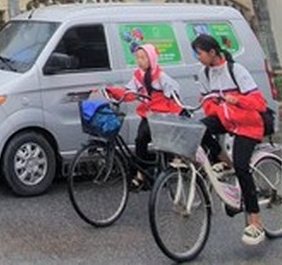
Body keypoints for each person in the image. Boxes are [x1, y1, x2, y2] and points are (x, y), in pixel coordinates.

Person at [191, 33, 269, 247]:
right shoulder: (205, 73)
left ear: (212, 52)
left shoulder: (236, 70)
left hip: (248, 124)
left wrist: (237, 100)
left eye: (199, 53)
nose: (197, 58)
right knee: (198, 128)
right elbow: (206, 102)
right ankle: (222, 159)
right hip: (226, 120)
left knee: (243, 167)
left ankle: (255, 221)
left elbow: (259, 102)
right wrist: (215, 108)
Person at [106, 42, 182, 189]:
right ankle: (141, 173)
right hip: (147, 116)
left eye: (143, 58)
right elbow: (129, 93)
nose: (139, 61)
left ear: (152, 59)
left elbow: (174, 95)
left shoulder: (161, 77)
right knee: (140, 141)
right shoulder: (138, 76)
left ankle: (163, 173)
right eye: (138, 57)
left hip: (161, 117)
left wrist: (174, 111)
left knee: (162, 146)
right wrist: (113, 92)